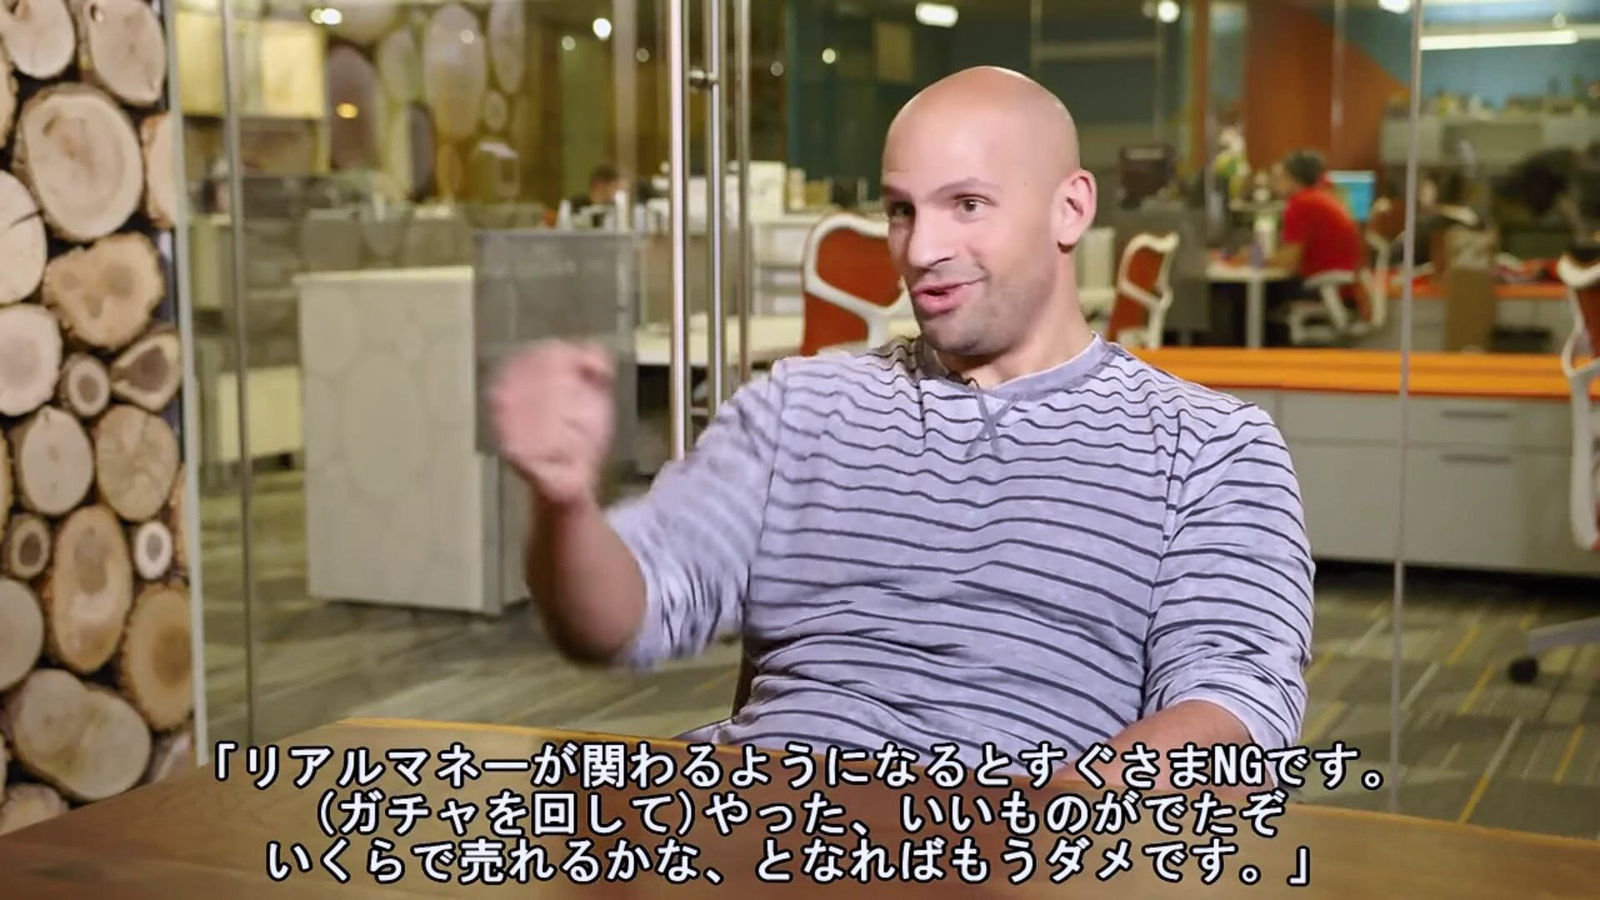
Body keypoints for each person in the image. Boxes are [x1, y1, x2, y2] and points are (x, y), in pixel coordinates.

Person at [492, 67, 1312, 782]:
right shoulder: (800, 405)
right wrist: (564, 504)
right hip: (760, 836)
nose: (921, 250)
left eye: (967, 204)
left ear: (1070, 209)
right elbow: (623, 618)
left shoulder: (1210, 448)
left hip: (1015, 851)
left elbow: (1235, 704)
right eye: (900, 210)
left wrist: (1054, 828)